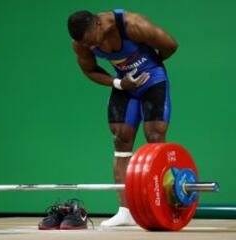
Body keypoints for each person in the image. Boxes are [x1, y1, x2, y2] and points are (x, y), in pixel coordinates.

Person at [67, 9, 178, 227]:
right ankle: (125, 211)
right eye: (85, 44)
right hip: (124, 84)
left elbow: (171, 45)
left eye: (91, 42)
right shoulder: (81, 43)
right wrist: (119, 83)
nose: (90, 47)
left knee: (155, 136)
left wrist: (150, 61)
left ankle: (164, 203)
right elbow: (90, 71)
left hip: (152, 79)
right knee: (120, 139)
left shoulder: (132, 25)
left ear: (98, 24)